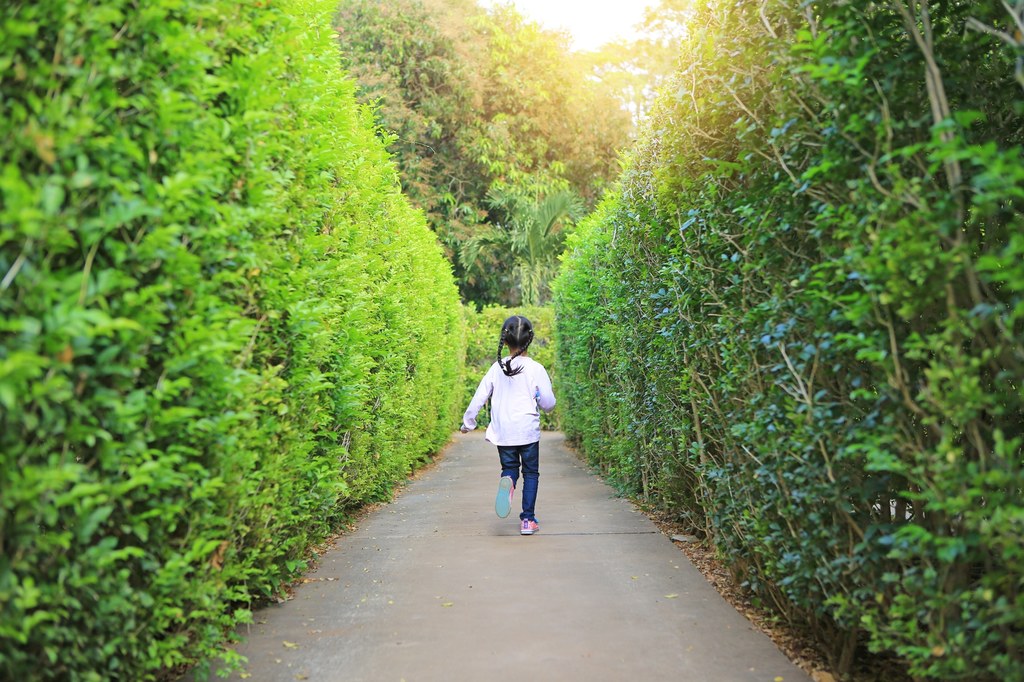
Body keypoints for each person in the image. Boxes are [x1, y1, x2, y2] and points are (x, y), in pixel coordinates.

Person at [461, 315, 556, 535]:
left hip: (503, 432)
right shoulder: (536, 369)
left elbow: (479, 397)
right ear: (530, 340)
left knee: (510, 468)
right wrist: (540, 398)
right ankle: (527, 521)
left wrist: (468, 423)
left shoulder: (497, 368)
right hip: (527, 431)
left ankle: (508, 480)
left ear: (505, 340)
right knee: (531, 473)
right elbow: (549, 404)